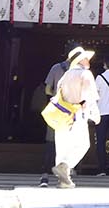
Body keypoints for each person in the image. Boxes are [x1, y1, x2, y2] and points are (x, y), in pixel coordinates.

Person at [49, 45, 100, 188]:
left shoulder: (66, 75)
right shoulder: (85, 74)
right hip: (77, 113)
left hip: (62, 114)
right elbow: (90, 96)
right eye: (86, 58)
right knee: (83, 144)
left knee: (63, 146)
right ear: (81, 60)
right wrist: (95, 114)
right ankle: (66, 166)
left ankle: (64, 180)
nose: (88, 60)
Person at [38, 55, 68, 187]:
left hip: (56, 110)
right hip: (71, 111)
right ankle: (65, 175)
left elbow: (47, 89)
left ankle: (45, 174)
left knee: (51, 142)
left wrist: (55, 98)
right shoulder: (80, 71)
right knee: (67, 143)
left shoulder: (56, 68)